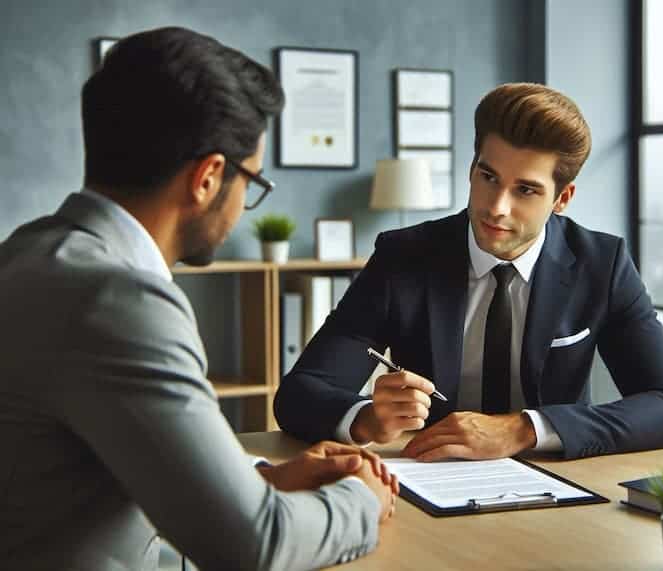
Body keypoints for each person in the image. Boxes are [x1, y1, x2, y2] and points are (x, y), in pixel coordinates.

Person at [0, 27, 397, 571]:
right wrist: (361, 501)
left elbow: (90, 475)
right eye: (251, 182)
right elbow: (257, 546)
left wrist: (261, 479)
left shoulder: (28, 253)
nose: (242, 206)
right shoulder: (121, 301)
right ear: (209, 177)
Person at [275, 83, 663, 461]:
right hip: (426, 473)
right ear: (471, 170)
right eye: (488, 177)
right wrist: (366, 418)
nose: (496, 207)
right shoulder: (402, 257)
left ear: (562, 198)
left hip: (555, 483)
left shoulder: (602, 264)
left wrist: (522, 429)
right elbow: (298, 394)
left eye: (525, 190)